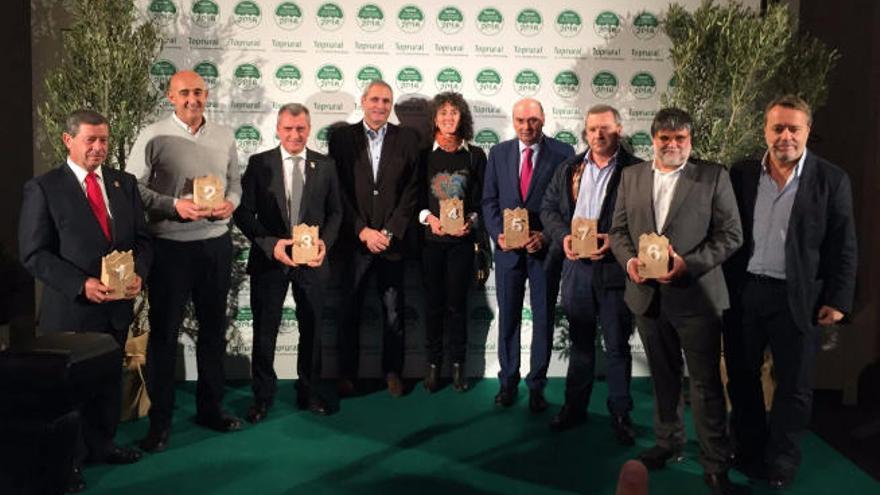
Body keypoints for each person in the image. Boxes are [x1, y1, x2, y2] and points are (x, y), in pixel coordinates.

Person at [722, 95, 857, 489]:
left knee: (794, 387)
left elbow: (843, 245)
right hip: (745, 294)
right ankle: (747, 449)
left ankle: (781, 459)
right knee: (742, 379)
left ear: (807, 132)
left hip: (799, 298)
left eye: (793, 128)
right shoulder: (742, 174)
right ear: (765, 131)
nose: (785, 136)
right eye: (777, 128)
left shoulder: (832, 180)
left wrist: (838, 300)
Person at [609, 108, 742, 495]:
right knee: (664, 378)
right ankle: (668, 443)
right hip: (647, 298)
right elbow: (618, 231)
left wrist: (689, 264)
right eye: (665, 138)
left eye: (680, 138)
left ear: (690, 140)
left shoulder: (713, 176)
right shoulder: (630, 176)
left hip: (696, 299)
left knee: (704, 384)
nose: (672, 144)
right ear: (653, 140)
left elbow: (731, 235)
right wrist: (629, 260)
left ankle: (715, 461)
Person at [19, 109, 150, 491]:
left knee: (108, 382)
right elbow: (34, 254)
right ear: (68, 140)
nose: (98, 147)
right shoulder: (43, 187)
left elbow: (142, 240)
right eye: (90, 140)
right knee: (69, 391)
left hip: (117, 308)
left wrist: (140, 271)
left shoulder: (124, 184)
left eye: (103, 140)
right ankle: (69, 460)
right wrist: (82, 284)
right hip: (72, 310)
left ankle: (103, 445)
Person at [127, 70, 242, 452]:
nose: (192, 99)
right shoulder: (152, 134)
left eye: (198, 92)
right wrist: (175, 205)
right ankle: (160, 423)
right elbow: (133, 188)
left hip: (215, 245)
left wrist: (231, 204)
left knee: (212, 333)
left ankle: (210, 408)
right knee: (163, 337)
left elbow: (235, 182)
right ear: (170, 96)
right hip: (169, 247)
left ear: (206, 94)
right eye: (184, 93)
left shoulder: (224, 135)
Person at [234, 103, 343, 420]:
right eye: (288, 129)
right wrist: (270, 244)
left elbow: (337, 212)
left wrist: (326, 243)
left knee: (313, 330)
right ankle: (262, 398)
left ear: (309, 129)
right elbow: (243, 212)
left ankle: (309, 393)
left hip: (313, 262)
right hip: (271, 261)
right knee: (265, 331)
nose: (295, 135)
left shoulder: (326, 165)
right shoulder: (259, 163)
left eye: (301, 128)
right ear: (278, 130)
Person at [540, 104, 639, 443]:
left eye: (605, 129)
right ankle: (574, 407)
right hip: (577, 270)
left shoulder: (636, 170)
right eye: (592, 129)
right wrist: (563, 235)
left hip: (613, 271)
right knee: (581, 344)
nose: (598, 135)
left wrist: (615, 240)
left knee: (616, 346)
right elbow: (548, 208)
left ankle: (621, 412)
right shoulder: (570, 167)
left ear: (619, 130)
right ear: (586, 132)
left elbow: (648, 220)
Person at [328, 80, 420, 398]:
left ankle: (393, 371)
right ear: (363, 101)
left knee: (393, 312)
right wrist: (361, 230)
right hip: (355, 243)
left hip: (392, 243)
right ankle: (346, 374)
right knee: (348, 309)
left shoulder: (408, 139)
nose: (381, 106)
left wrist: (389, 231)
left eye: (387, 101)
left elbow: (411, 192)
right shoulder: (341, 139)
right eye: (375, 99)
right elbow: (336, 190)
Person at [482, 98, 575, 411]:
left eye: (532, 120)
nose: (526, 126)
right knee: (507, 316)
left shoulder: (564, 154)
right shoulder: (498, 153)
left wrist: (546, 235)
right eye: (520, 120)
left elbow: (568, 207)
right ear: (513, 120)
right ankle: (508, 381)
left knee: (543, 319)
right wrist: (499, 235)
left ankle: (537, 385)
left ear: (543, 119)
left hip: (544, 252)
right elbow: (489, 202)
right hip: (508, 253)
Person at [417, 92, 486, 392]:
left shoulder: (475, 155)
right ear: (434, 117)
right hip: (430, 243)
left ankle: (458, 366)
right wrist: (429, 219)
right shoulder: (423, 155)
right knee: (433, 305)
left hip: (461, 243)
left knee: (457, 306)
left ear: (463, 118)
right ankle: (433, 366)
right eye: (443, 112)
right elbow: (415, 200)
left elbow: (481, 201)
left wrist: (470, 221)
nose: (448, 118)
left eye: (454, 113)